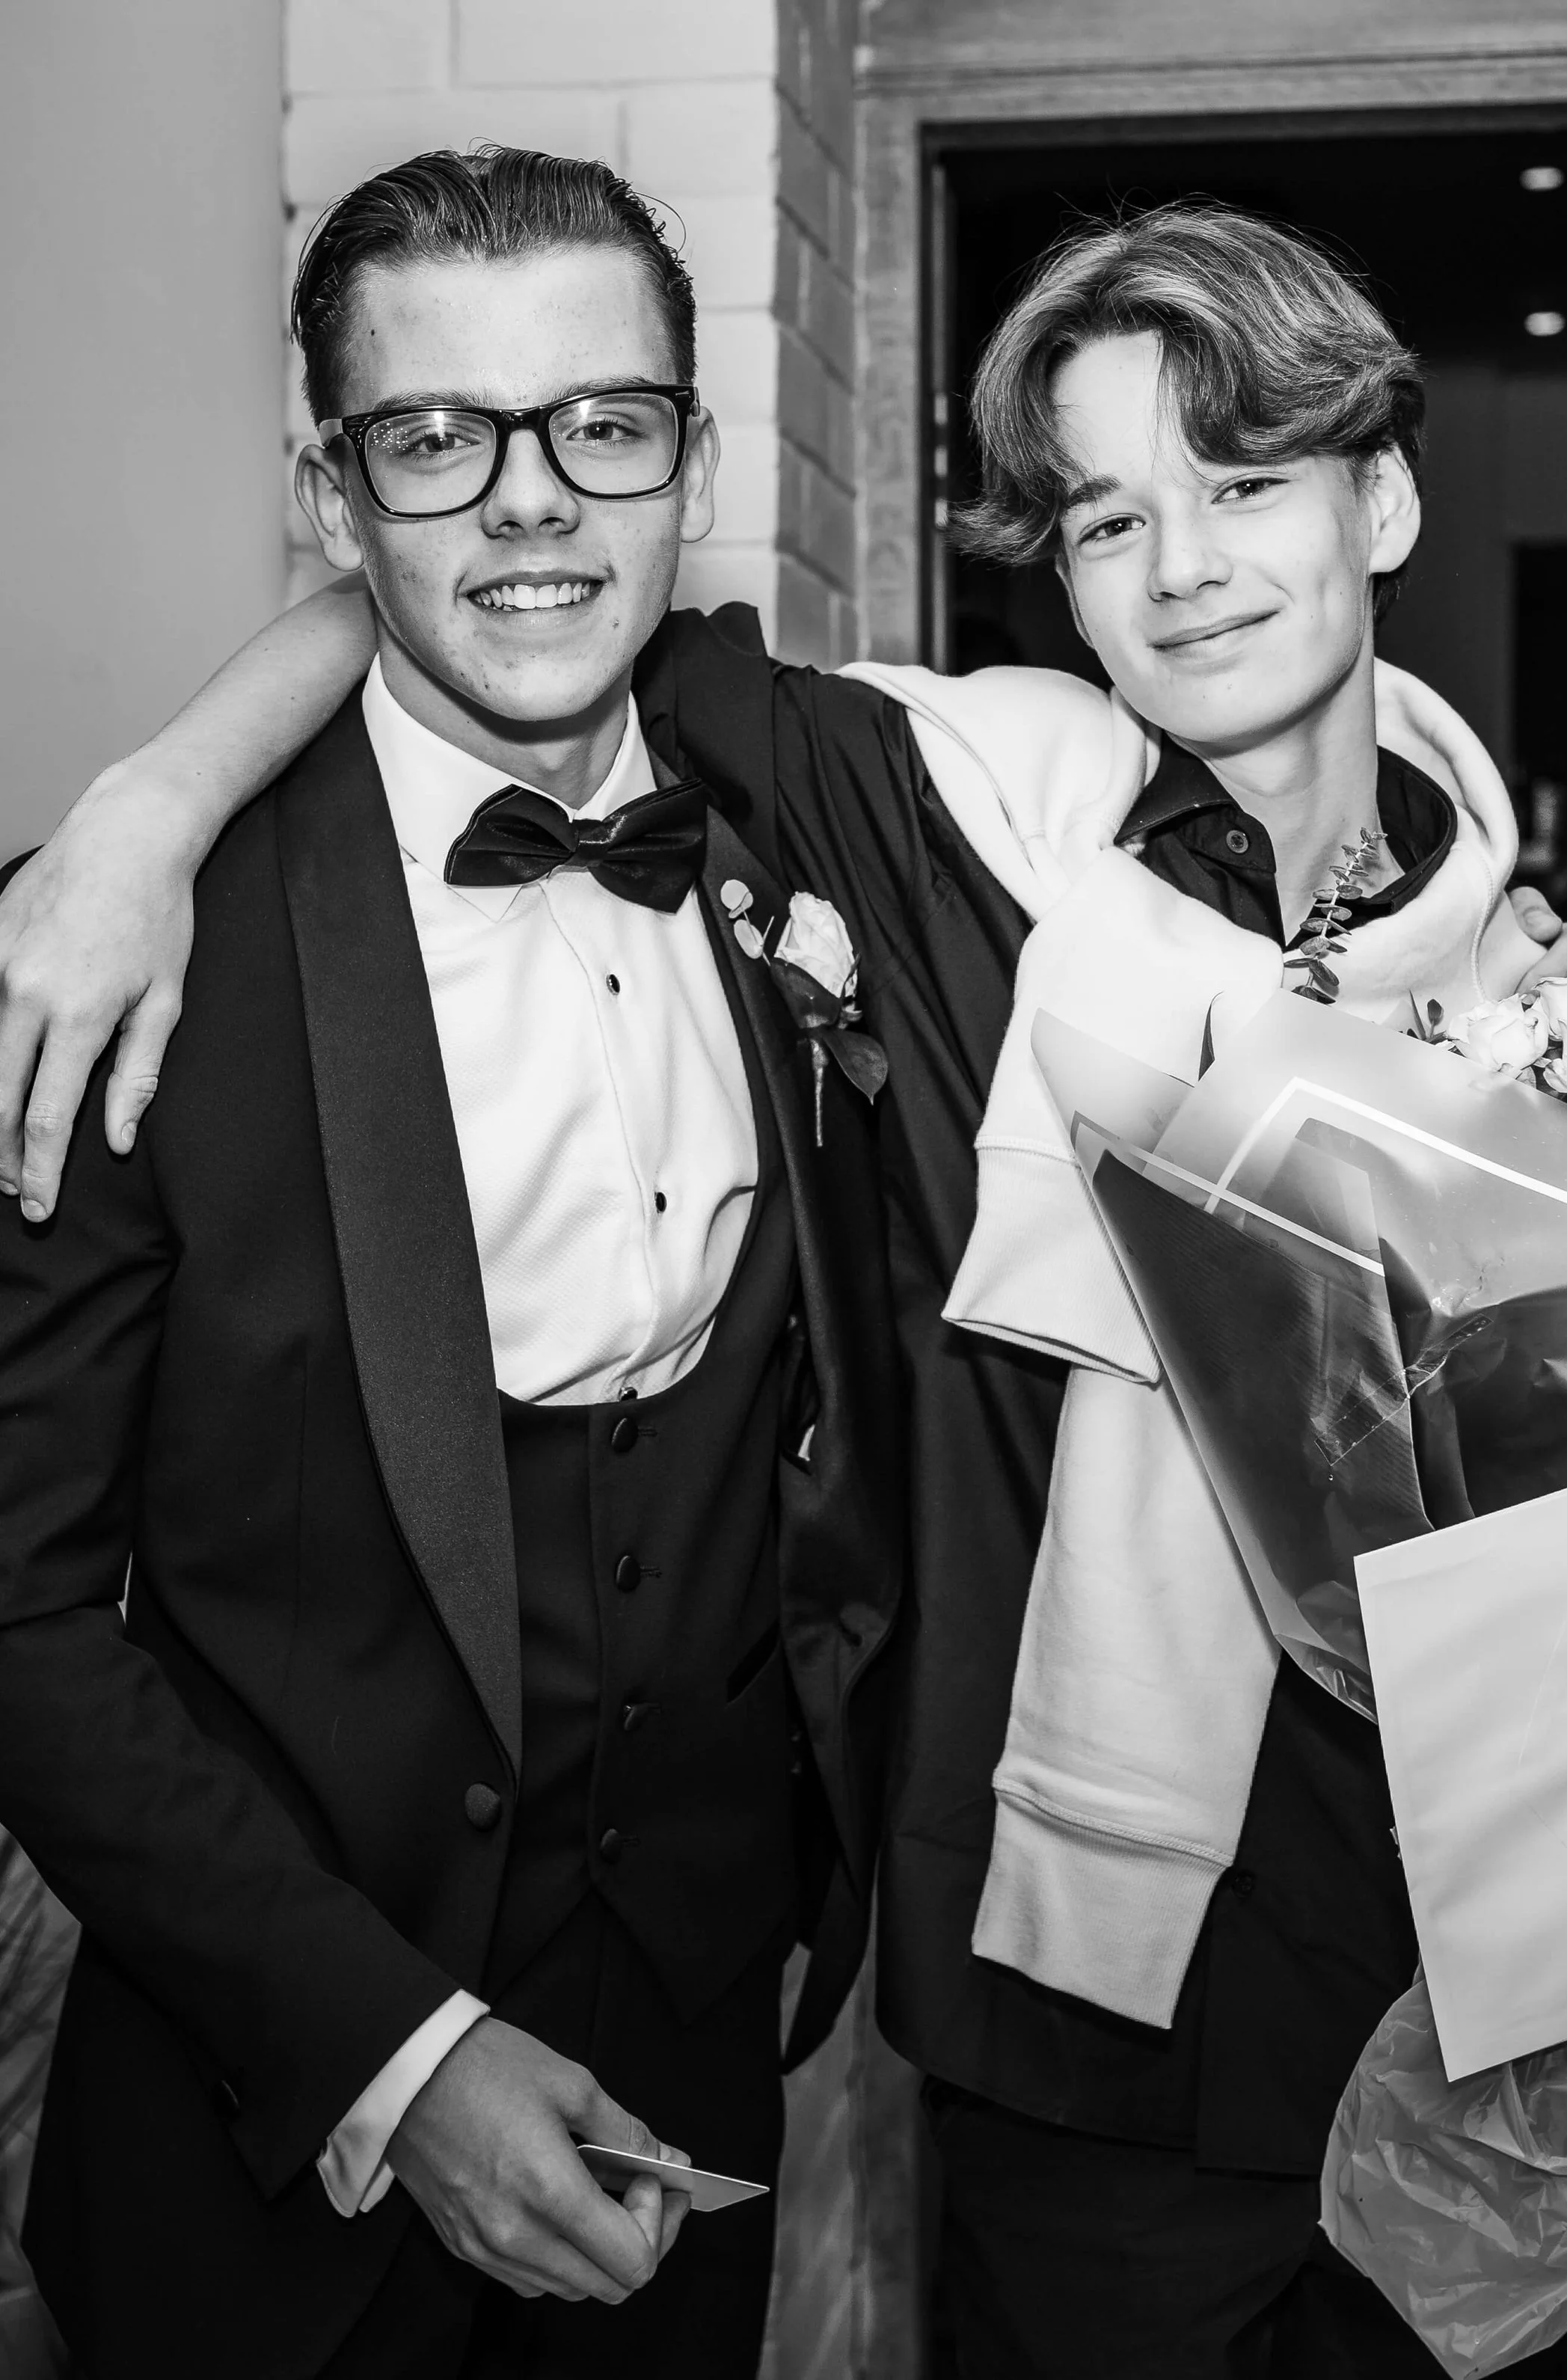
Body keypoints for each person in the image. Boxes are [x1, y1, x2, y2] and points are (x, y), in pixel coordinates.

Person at [0, 180, 1567, 2376]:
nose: (1183, 564)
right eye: (1107, 517)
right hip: (1088, 1998)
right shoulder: (946, 810)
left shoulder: (1538, 988)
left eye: (1240, 482)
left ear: (1380, 497)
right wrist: (143, 810)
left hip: (1491, 1935)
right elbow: (502, 582)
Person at [0, 150, 906, 2380]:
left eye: (604, 422)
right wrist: (394, 2056)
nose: (532, 505)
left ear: (688, 461)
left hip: (695, 2071)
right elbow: (13, 1592)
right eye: (437, 439)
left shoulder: (801, 806)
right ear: (334, 493)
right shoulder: (116, 947)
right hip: (266, 2121)